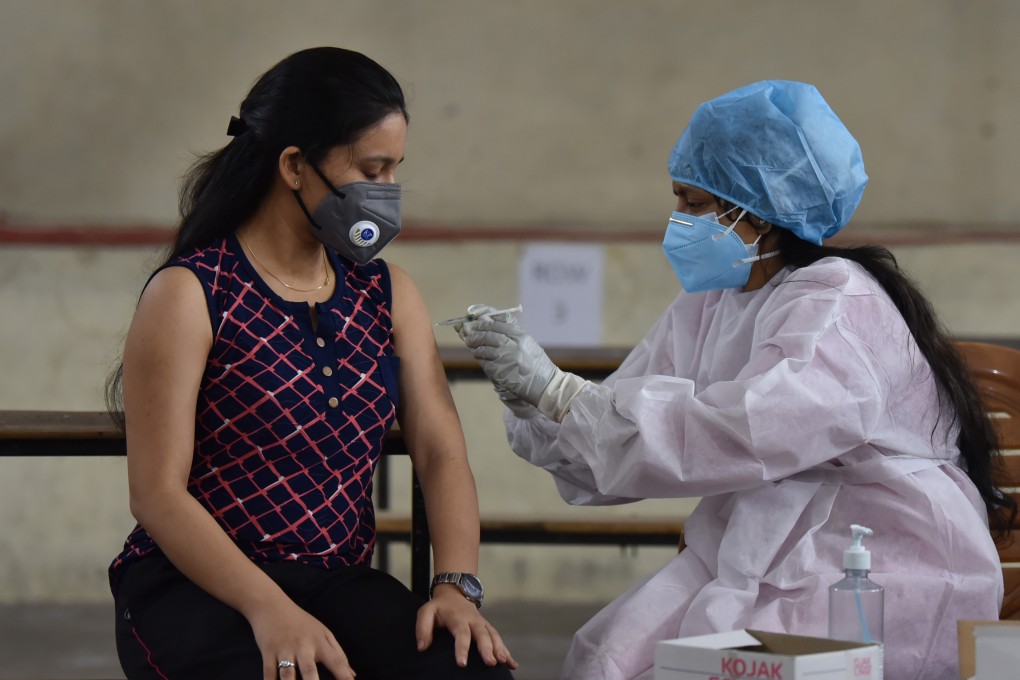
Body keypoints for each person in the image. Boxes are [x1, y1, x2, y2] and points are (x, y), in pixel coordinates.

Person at [456, 80, 1016, 680]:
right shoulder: (709, 303)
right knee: (606, 658)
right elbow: (618, 438)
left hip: (878, 558)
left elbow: (755, 430)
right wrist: (538, 401)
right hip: (753, 544)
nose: (678, 221)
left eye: (695, 205)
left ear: (761, 212)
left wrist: (564, 395)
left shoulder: (839, 300)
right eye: (677, 200)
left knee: (732, 670)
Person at [105, 46, 516, 680]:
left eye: (394, 172)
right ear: (295, 166)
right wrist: (269, 609)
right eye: (370, 171)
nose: (386, 195)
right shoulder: (193, 292)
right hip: (195, 585)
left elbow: (441, 452)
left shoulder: (387, 293)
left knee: (472, 669)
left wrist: (456, 589)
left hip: (334, 580)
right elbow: (156, 493)